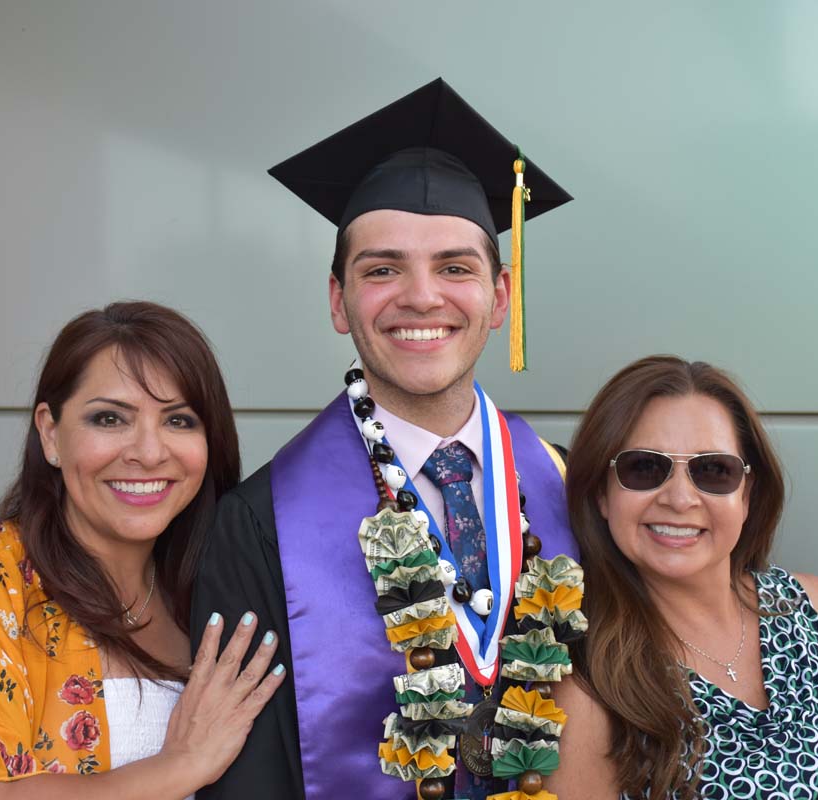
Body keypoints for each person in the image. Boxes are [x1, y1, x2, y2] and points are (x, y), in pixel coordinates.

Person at [192, 79, 582, 800]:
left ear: (500, 297)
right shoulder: (259, 525)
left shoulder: (569, 486)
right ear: (339, 300)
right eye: (382, 269)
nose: (422, 297)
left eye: (455, 267)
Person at [0, 301, 286, 800]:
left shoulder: (219, 585)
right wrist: (181, 766)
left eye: (179, 421)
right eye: (110, 419)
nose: (149, 452)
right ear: (50, 433)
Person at [547, 355, 818, 799]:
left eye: (713, 471)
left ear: (747, 494)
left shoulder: (817, 610)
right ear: (602, 495)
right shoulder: (586, 690)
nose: (680, 498)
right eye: (645, 468)